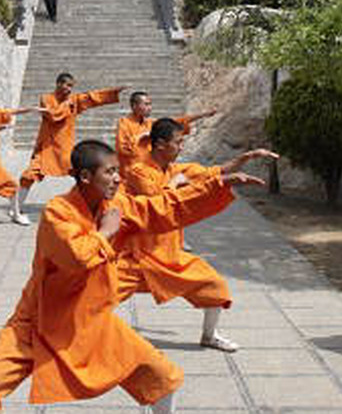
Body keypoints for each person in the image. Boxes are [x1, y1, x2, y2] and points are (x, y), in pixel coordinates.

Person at [0, 140, 266, 414]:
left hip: (88, 318)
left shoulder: (117, 204)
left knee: (162, 376)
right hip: (37, 320)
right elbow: (76, 257)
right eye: (110, 172)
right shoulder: (57, 212)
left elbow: (162, 206)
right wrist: (105, 233)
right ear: (85, 177)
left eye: (117, 170)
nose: (118, 178)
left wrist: (219, 184)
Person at [119, 118, 278, 353]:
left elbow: (215, 172)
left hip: (171, 255)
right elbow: (159, 205)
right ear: (161, 144)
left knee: (215, 286)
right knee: (97, 293)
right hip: (138, 257)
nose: (181, 146)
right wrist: (174, 184)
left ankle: (209, 335)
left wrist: (246, 158)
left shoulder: (175, 170)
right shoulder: (139, 172)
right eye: (178, 142)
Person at [14, 73, 123, 224]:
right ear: (58, 83)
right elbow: (53, 115)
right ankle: (16, 210)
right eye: (67, 85)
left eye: (71, 86)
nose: (69, 89)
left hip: (65, 149)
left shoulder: (73, 101)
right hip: (47, 147)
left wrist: (111, 93)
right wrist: (68, 105)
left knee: (83, 175)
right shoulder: (46, 99)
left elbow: (91, 98)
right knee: (29, 175)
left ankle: (94, 206)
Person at [113, 91, 215, 186]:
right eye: (146, 104)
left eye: (150, 104)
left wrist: (202, 115)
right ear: (134, 106)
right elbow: (122, 149)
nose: (150, 108)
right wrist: (140, 139)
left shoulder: (150, 123)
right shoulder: (124, 123)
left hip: (153, 170)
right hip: (134, 175)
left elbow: (176, 122)